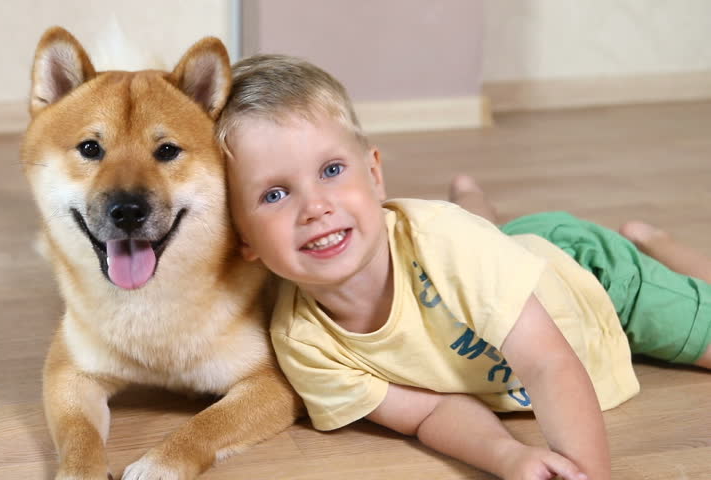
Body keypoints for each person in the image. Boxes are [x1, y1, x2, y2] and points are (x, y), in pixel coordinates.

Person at [216, 54, 711, 480]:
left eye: (331, 170)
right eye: (275, 194)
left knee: (469, 237)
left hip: (593, 279)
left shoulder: (446, 242)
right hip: (490, 257)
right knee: (479, 238)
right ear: (242, 238)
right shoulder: (303, 345)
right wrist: (509, 456)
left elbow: (547, 362)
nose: (315, 206)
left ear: (374, 173)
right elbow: (429, 411)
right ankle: (475, 201)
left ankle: (652, 240)